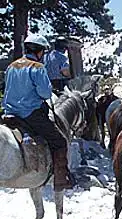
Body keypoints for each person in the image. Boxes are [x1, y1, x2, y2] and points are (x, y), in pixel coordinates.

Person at [2, 34, 73, 191]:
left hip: (9, 114)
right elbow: (46, 93)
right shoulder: (37, 67)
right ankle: (61, 179)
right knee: (59, 141)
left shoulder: (11, 66)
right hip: (30, 114)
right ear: (39, 51)